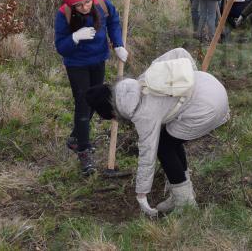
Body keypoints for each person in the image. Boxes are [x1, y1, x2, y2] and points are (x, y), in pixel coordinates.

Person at [85, 48, 230, 217]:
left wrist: (141, 194)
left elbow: (147, 154)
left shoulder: (142, 113)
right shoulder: (142, 80)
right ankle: (181, 194)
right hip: (209, 84)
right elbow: (180, 52)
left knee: (164, 148)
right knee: (170, 141)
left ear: (113, 112)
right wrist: (190, 78)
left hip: (207, 107)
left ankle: (186, 204)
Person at [54, 0, 127, 175]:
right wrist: (75, 38)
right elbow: (61, 47)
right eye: (80, 5)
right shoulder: (64, 15)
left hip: (99, 60)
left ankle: (75, 138)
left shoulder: (102, 3)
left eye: (88, 1)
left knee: (94, 101)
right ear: (71, 4)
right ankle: (84, 150)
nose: (86, 7)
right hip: (77, 64)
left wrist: (118, 44)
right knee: (83, 104)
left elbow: (113, 22)